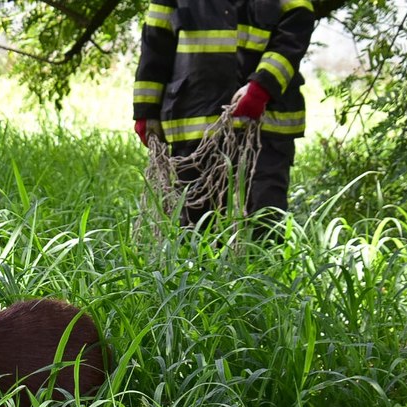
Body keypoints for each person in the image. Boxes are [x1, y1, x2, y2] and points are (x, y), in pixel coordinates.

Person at [133, 0, 315, 234]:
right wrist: (146, 111)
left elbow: (295, 30)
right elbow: (155, 46)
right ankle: (200, 271)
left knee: (265, 221)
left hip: (266, 126)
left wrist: (263, 86)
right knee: (197, 228)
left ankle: (263, 271)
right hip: (193, 124)